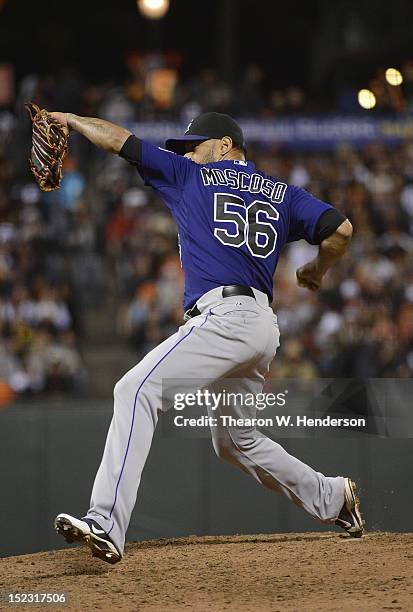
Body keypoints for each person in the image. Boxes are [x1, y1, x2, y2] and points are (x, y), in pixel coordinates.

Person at [52, 111, 363, 564]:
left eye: (193, 146)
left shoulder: (191, 177)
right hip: (260, 325)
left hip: (224, 317)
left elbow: (121, 140)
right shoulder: (283, 194)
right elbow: (342, 229)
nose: (185, 154)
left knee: (134, 389)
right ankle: (334, 497)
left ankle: (104, 522)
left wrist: (72, 120)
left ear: (223, 145)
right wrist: (317, 270)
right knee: (236, 440)